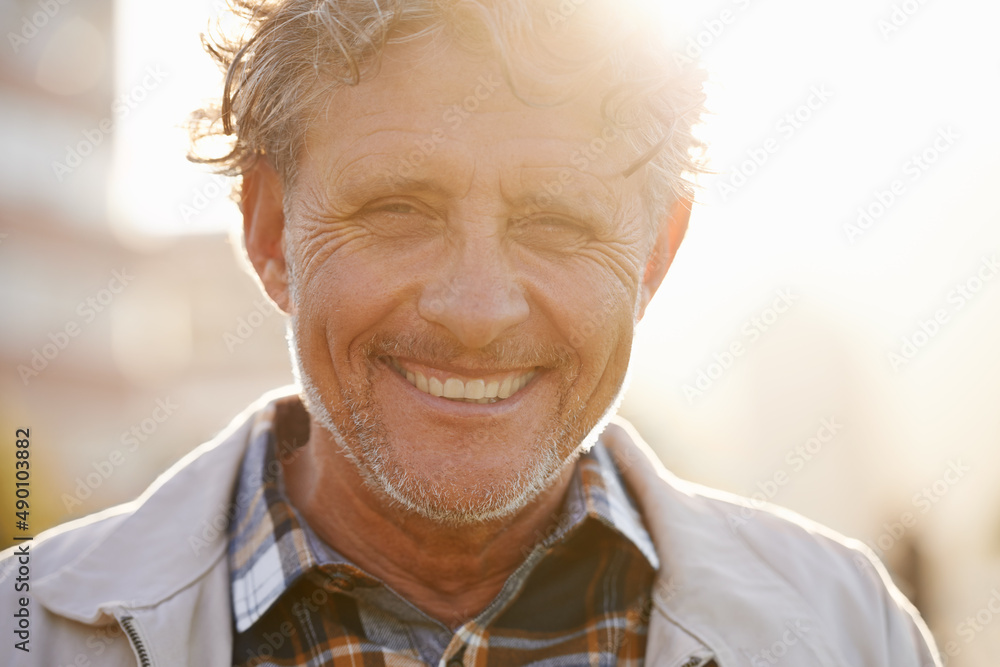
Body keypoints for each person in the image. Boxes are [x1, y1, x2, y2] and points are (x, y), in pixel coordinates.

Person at [1, 0, 941, 665]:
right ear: (270, 229)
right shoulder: (25, 631)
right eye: (399, 209)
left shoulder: (851, 630)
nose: (477, 308)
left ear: (654, 253)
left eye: (556, 221)